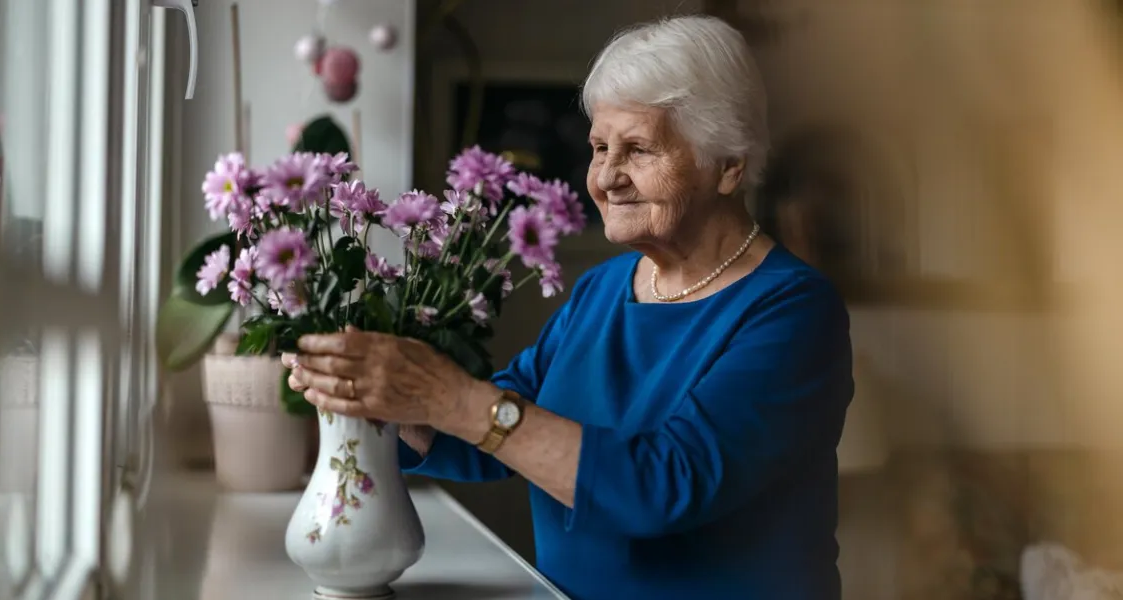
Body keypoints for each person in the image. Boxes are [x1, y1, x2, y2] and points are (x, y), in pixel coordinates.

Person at [283, 15, 853, 600]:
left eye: (638, 149)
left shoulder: (794, 311)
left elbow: (664, 486)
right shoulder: (604, 288)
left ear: (729, 164)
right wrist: (392, 401)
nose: (606, 178)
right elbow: (511, 426)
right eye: (600, 148)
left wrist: (450, 397)